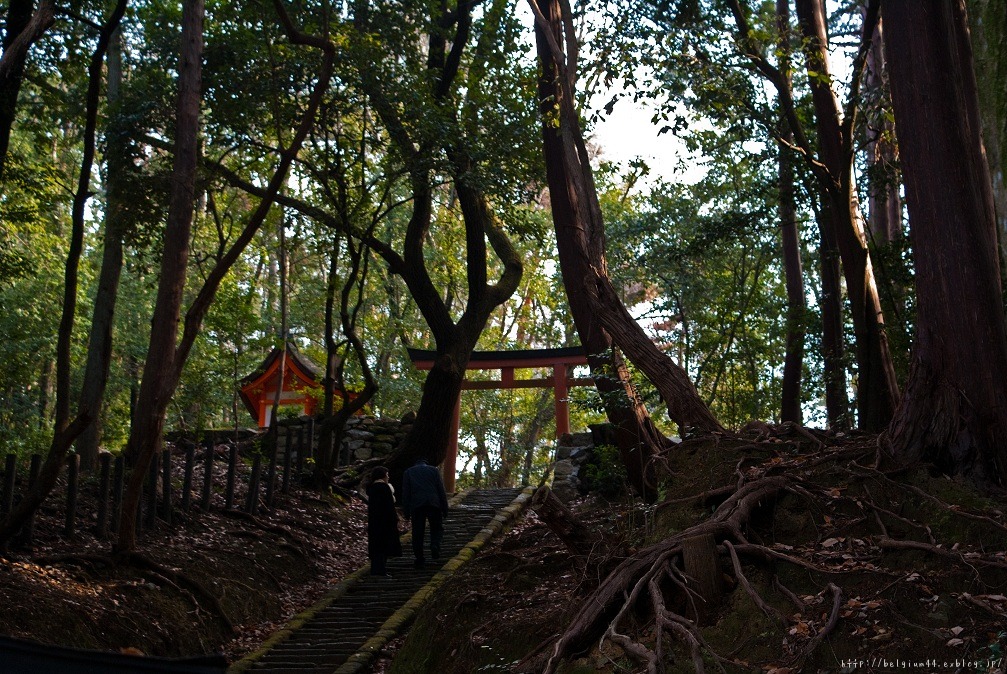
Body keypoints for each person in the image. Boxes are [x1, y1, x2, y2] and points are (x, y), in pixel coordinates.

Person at [401, 457, 449, 569]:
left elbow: (406, 493)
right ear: (426, 462)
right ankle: (435, 545)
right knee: (436, 528)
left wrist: (406, 511)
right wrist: (444, 507)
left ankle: (420, 558)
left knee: (418, 533)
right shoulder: (434, 470)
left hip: (417, 505)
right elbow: (440, 489)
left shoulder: (408, 472)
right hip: (433, 503)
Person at [365, 466, 401, 577]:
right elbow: (389, 506)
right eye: (387, 474)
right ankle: (381, 571)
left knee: (376, 546)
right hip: (385, 521)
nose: (388, 477)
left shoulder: (372, 488)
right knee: (383, 546)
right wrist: (395, 519)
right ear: (383, 475)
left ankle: (376, 569)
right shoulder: (384, 488)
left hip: (374, 521)